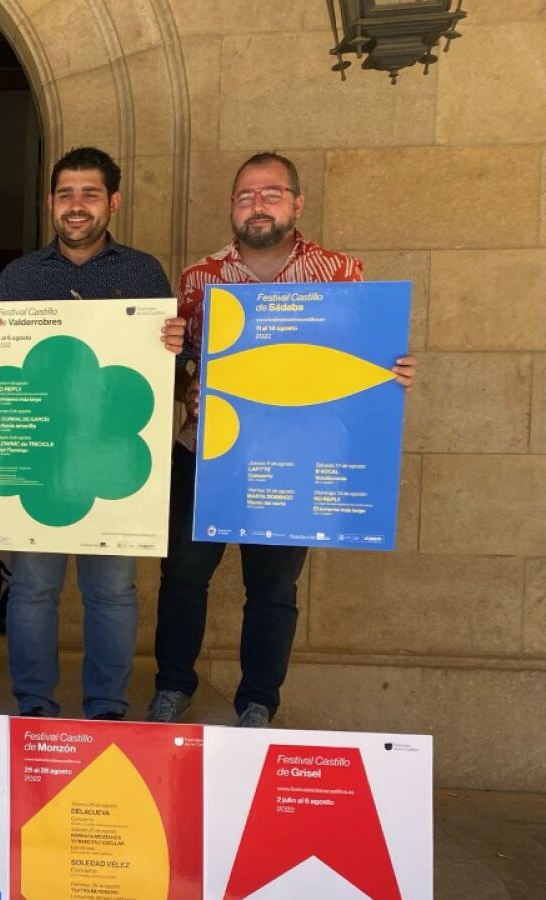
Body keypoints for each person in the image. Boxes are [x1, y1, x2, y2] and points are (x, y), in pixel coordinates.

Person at [147, 151, 417, 728]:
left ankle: (257, 703)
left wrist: (390, 375)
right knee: (183, 577)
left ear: (297, 203)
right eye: (246, 196)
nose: (258, 206)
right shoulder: (199, 278)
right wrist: (184, 381)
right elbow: (175, 365)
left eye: (271, 194)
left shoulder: (340, 272)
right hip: (207, 452)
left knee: (272, 587)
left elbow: (361, 356)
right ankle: (171, 688)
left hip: (298, 456)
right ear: (232, 207)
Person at [0, 146, 186, 721]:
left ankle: (107, 709)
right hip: (41, 459)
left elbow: (167, 370)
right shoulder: (20, 277)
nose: (76, 205)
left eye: (90, 193)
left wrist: (175, 344)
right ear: (50, 203)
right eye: (65, 193)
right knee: (33, 589)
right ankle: (34, 709)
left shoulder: (142, 273)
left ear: (113, 202)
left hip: (111, 457)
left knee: (111, 591)